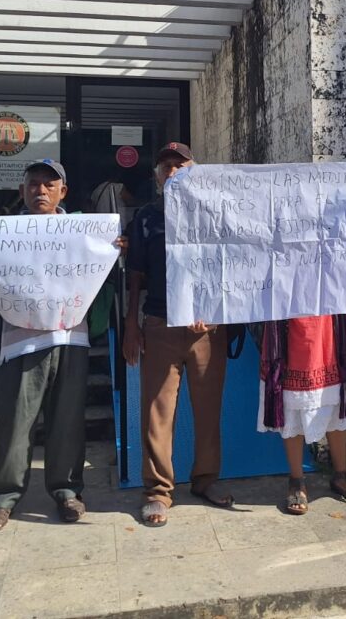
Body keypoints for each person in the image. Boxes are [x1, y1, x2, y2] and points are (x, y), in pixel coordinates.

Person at [0, 159, 121, 532]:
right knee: (15, 423)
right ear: (22, 190)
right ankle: (3, 498)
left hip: (70, 339)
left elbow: (99, 275)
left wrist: (111, 252)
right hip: (20, 343)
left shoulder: (82, 233)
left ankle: (67, 491)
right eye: (33, 184)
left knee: (68, 422)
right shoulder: (3, 235)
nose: (40, 190)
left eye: (48, 184)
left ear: (63, 192)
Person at [257, 167, 346, 515]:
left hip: (333, 329)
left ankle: (341, 475)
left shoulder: (336, 236)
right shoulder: (276, 237)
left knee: (336, 405)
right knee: (290, 405)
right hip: (290, 332)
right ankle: (296, 480)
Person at [123, 142, 231, 528]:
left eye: (179, 165)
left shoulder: (216, 214)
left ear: (193, 170)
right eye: (165, 165)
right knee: (157, 411)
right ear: (156, 175)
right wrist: (131, 324)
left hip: (207, 329)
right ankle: (157, 492)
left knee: (208, 409)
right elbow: (134, 273)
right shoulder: (146, 219)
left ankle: (206, 481)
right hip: (159, 322)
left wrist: (217, 311)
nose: (172, 171)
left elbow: (232, 268)